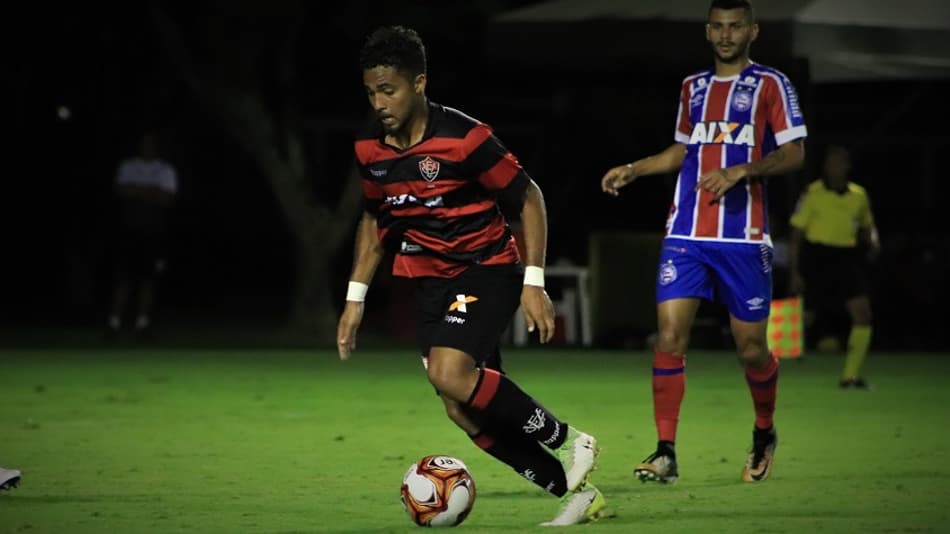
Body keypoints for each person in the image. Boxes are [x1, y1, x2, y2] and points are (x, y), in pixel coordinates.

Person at [337, 26, 604, 526]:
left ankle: (570, 440)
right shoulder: (369, 148)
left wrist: (533, 281)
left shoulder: (465, 137)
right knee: (462, 408)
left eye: (388, 90)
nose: (379, 102)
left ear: (419, 83)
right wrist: (355, 299)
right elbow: (373, 220)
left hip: (487, 269)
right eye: (371, 91)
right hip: (430, 282)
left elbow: (529, 198)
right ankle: (573, 491)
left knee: (449, 374)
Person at [600, 0, 807, 484]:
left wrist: (744, 169)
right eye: (718, 26)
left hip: (743, 237)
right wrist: (636, 168)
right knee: (670, 337)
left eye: (735, 26)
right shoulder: (692, 88)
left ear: (753, 31)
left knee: (752, 348)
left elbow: (795, 151)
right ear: (707, 32)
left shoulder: (771, 85)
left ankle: (763, 433)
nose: (726, 34)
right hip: (686, 233)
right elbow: (683, 149)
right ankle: (665, 452)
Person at [788, 145, 880, 388]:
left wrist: (873, 240)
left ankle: (849, 376)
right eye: (831, 162)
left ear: (847, 166)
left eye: (839, 162)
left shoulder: (859, 195)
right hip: (818, 256)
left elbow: (867, 224)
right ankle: (771, 368)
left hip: (846, 258)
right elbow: (796, 234)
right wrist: (795, 270)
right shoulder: (812, 193)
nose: (835, 167)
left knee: (862, 314)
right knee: (805, 316)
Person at [105, 132, 178, 338]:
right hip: (128, 231)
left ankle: (142, 324)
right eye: (144, 143)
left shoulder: (165, 169)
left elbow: (167, 198)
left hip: (154, 232)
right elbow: (121, 190)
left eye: (151, 143)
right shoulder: (128, 166)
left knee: (148, 280)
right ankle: (114, 323)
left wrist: (137, 190)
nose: (147, 146)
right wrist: (152, 191)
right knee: (124, 278)